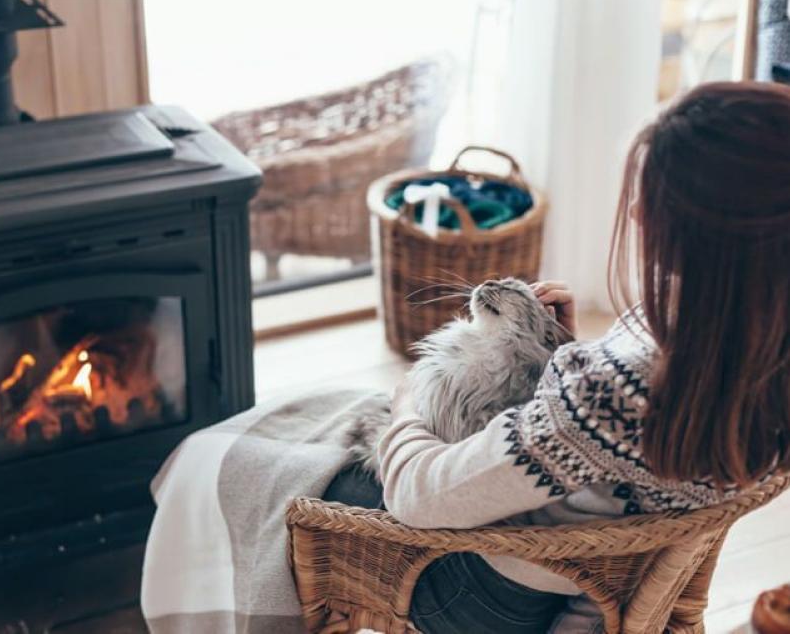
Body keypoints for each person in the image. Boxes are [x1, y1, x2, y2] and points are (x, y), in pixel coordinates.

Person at [323, 81, 790, 633]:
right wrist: (568, 355)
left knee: (297, 471)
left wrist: (408, 405)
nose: (637, 214)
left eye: (654, 202)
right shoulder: (751, 337)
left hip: (497, 598)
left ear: (709, 234)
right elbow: (620, 449)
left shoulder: (615, 391)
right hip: (604, 580)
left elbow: (415, 497)